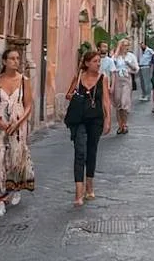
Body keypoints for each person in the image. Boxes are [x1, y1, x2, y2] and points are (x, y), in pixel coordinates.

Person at [0, 47, 35, 217]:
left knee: (16, 158)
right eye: (12, 58)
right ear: (4, 61)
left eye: (17, 58)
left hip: (18, 125)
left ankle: (15, 187)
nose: (16, 61)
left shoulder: (24, 80)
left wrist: (19, 122)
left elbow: (28, 105)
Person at [64, 50, 111, 206]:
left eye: (99, 61)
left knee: (91, 151)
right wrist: (74, 95)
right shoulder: (78, 77)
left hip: (96, 120)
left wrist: (108, 120)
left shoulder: (103, 78)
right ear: (87, 63)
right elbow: (68, 94)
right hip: (79, 119)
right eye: (95, 61)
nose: (98, 64)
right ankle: (78, 192)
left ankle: (89, 184)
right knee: (80, 152)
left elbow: (105, 100)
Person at [111, 39, 138, 134]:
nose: (126, 47)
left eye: (127, 45)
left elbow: (136, 69)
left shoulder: (131, 56)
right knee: (118, 103)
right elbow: (112, 63)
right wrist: (117, 50)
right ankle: (120, 125)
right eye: (124, 45)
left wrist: (129, 66)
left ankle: (125, 124)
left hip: (126, 79)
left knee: (124, 103)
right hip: (117, 79)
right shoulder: (116, 56)